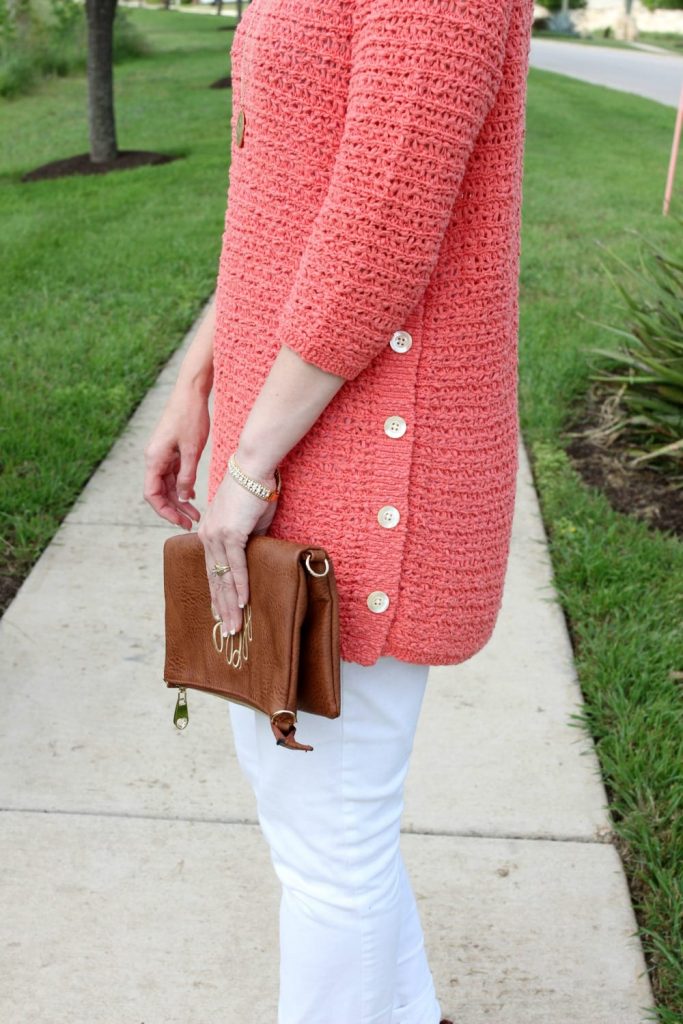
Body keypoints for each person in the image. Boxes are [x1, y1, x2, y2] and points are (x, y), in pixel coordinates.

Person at [143, 0, 534, 1021]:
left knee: (330, 841)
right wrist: (201, 377)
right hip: (296, 422)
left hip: (360, 458)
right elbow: (282, 190)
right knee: (322, 830)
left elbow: (379, 230)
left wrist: (250, 470)